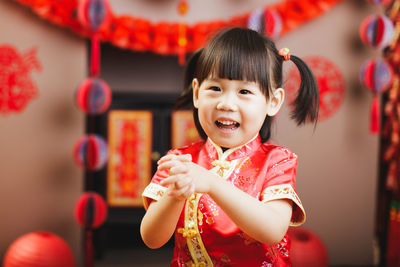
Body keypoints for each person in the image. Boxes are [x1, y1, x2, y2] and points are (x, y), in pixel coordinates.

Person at [140, 27, 319, 266]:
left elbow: (273, 230)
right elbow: (152, 239)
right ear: (196, 93)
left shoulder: (277, 161)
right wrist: (174, 196)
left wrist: (212, 184)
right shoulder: (180, 161)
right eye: (215, 89)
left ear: (273, 102)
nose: (226, 104)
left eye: (244, 91)